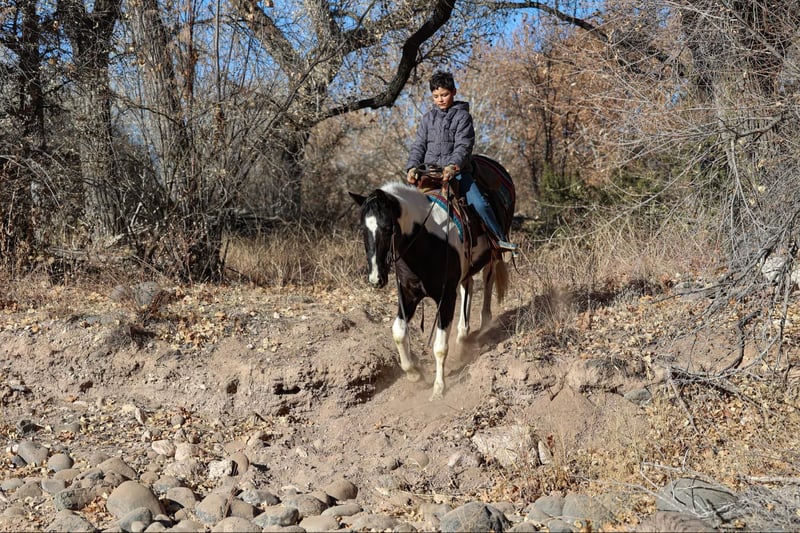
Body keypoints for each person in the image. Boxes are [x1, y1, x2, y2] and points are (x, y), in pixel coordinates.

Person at [406, 71, 516, 252]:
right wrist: (412, 167)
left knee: (480, 204)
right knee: (406, 206)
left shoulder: (463, 117)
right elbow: (418, 146)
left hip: (457, 174)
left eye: (444, 95)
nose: (440, 99)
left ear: (454, 92)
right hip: (429, 174)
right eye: (436, 96)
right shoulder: (427, 119)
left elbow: (464, 146)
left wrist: (453, 166)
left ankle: (499, 240)